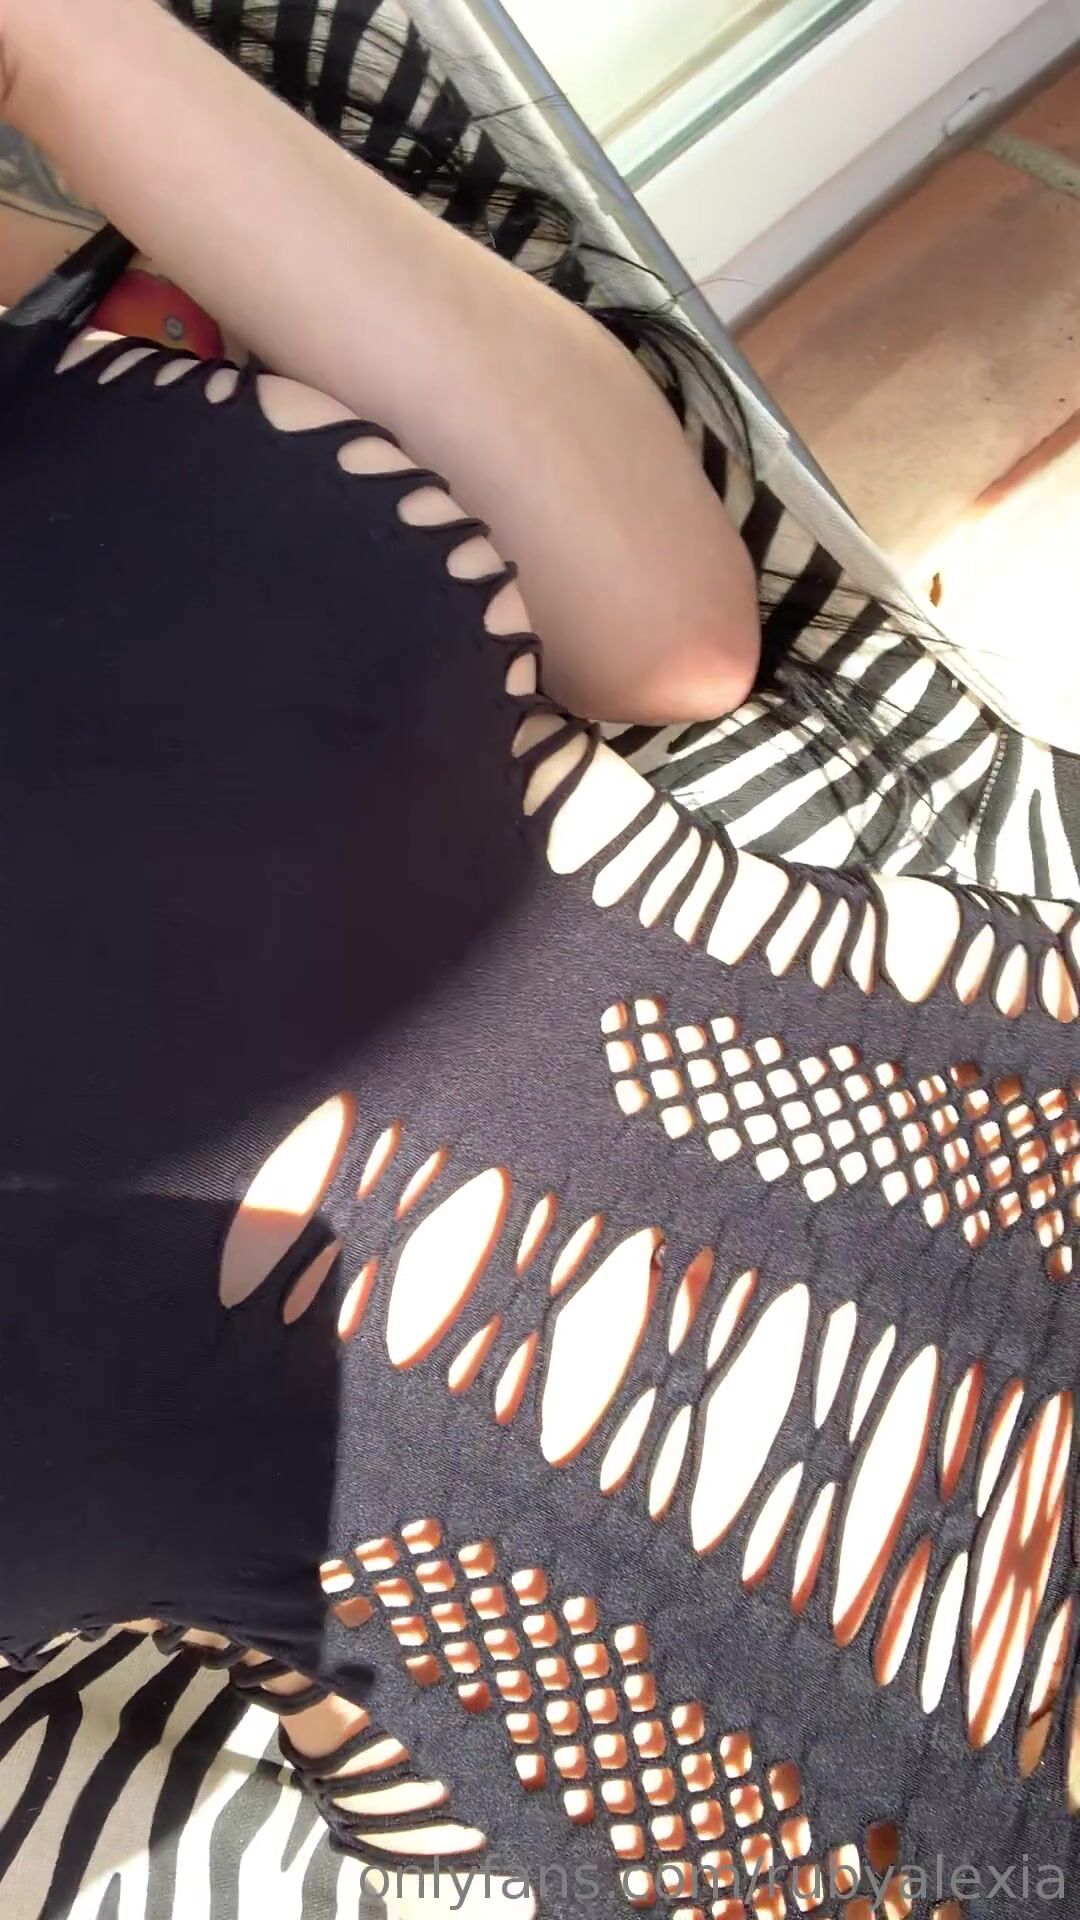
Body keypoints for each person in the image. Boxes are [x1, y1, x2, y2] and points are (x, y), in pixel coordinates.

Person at [0, 5, 1077, 1919]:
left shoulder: (74, 326)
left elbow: (667, 630)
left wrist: (61, 51)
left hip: (995, 1137)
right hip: (767, 1787)